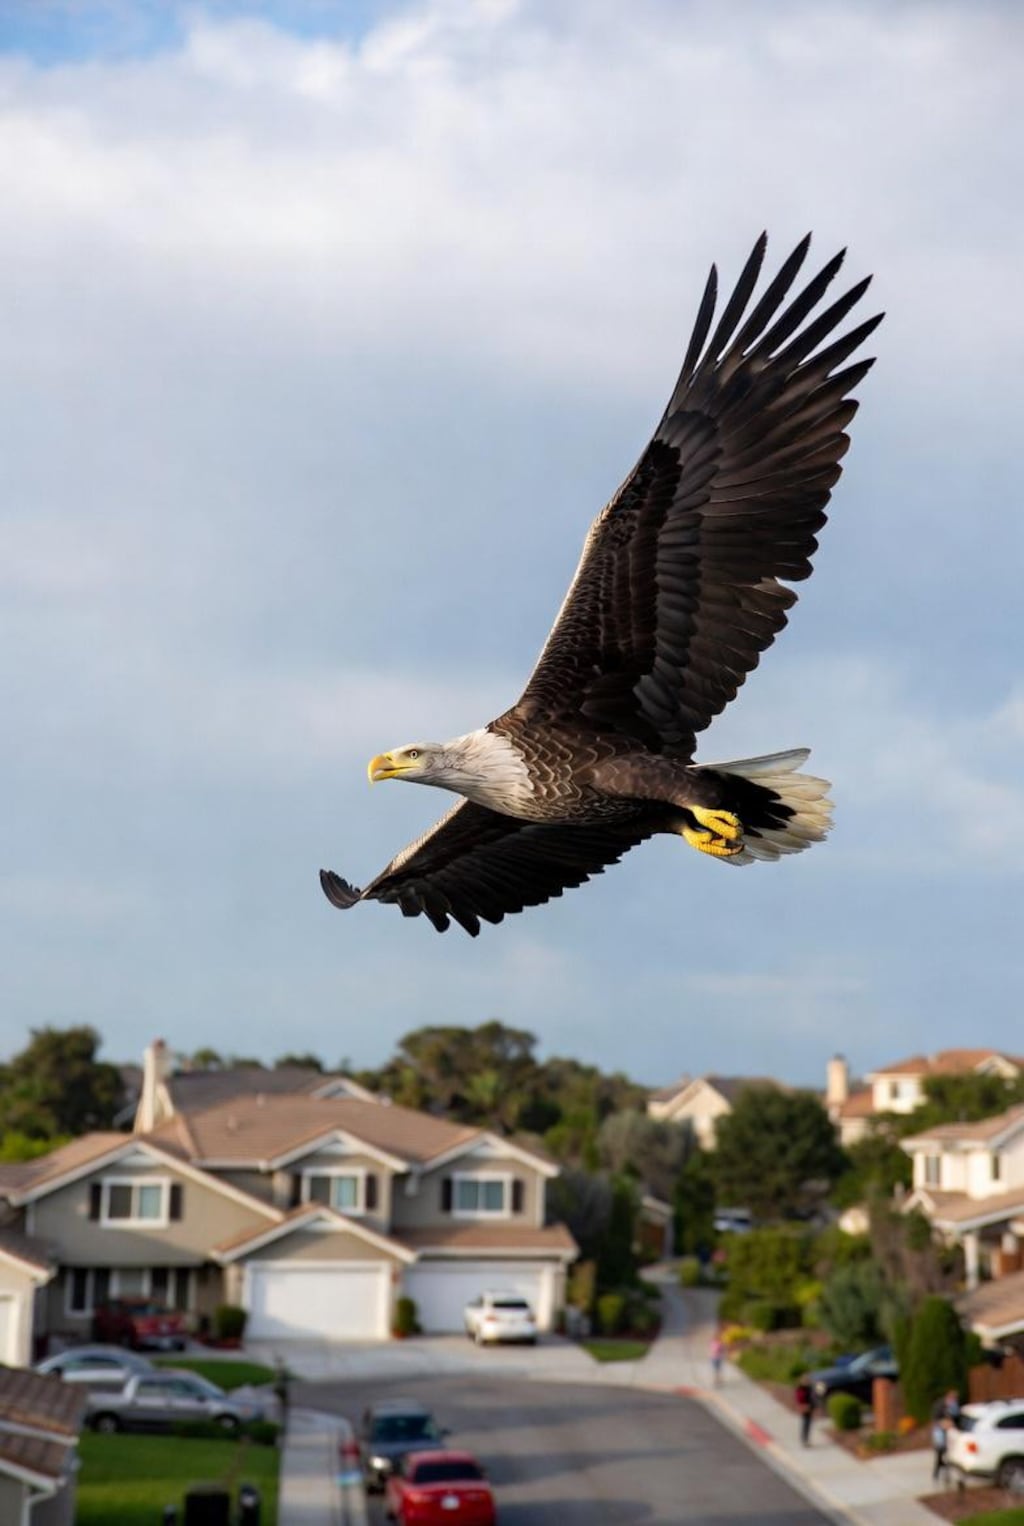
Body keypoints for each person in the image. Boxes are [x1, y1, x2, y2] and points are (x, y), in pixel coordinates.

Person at [794, 1375, 814, 1447]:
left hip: (809, 1407)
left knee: (808, 1424)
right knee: (805, 1424)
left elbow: (813, 1396)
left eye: (808, 1380)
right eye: (806, 1380)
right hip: (804, 1407)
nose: (807, 1382)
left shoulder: (809, 1388)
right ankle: (804, 1440)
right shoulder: (801, 1389)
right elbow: (800, 1399)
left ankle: (806, 1440)